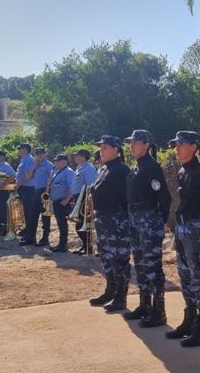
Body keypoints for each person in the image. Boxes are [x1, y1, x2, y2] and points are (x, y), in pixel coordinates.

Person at [165, 131, 200, 347]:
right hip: (183, 228)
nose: (177, 149)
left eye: (181, 145)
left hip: (196, 230)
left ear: (194, 147)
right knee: (185, 276)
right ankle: (190, 320)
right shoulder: (183, 171)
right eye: (176, 145)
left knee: (199, 278)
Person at [122, 129, 172, 328]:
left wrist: (161, 221)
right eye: (130, 143)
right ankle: (145, 305)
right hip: (135, 218)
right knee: (140, 263)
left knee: (152, 265)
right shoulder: (137, 166)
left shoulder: (151, 167)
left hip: (148, 219)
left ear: (146, 145)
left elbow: (164, 197)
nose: (131, 146)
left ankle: (159, 311)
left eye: (135, 143)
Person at [87, 135, 132, 312]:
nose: (101, 151)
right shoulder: (104, 168)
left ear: (116, 150)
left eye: (105, 148)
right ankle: (110, 291)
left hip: (117, 220)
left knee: (119, 260)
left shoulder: (121, 170)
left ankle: (121, 297)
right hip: (103, 219)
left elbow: (127, 197)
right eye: (101, 148)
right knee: (106, 257)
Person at [71, 149, 98, 254]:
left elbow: (91, 185)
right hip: (78, 198)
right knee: (79, 223)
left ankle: (88, 247)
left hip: (83, 198)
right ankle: (85, 245)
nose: (75, 157)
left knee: (82, 224)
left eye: (77, 155)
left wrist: (88, 202)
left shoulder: (89, 168)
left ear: (83, 157)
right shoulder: (80, 167)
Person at [47, 154, 75, 252]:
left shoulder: (69, 172)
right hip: (56, 201)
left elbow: (72, 187)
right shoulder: (56, 171)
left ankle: (63, 245)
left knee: (62, 223)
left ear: (64, 162)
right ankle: (61, 244)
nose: (55, 163)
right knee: (59, 223)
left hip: (63, 201)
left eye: (57, 161)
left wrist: (67, 200)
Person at [29, 148, 54, 247]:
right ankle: (31, 238)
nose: (39, 156)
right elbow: (28, 177)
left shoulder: (49, 165)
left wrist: (48, 193)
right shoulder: (34, 164)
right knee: (33, 216)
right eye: (37, 154)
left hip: (44, 192)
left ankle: (45, 239)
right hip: (35, 191)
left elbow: (52, 179)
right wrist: (33, 167)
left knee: (45, 217)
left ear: (45, 154)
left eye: (41, 154)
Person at [14, 143, 37, 245]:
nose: (19, 151)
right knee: (25, 213)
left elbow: (28, 176)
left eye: (21, 149)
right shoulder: (23, 159)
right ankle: (27, 232)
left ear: (26, 150)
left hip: (28, 189)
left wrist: (18, 185)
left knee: (29, 214)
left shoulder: (29, 159)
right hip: (23, 188)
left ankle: (30, 237)